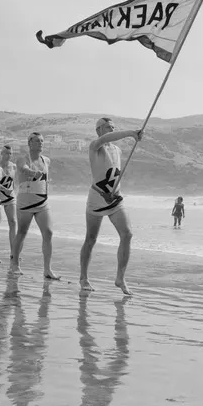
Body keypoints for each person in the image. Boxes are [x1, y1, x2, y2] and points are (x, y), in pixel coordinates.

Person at [79, 118, 143, 296]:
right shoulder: (95, 145)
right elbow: (107, 140)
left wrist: (116, 192)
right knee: (91, 239)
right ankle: (83, 278)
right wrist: (131, 133)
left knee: (127, 234)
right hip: (97, 198)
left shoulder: (117, 150)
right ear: (99, 130)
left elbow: (114, 175)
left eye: (113, 127)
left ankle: (120, 278)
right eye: (108, 127)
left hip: (114, 199)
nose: (111, 129)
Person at [10, 133, 58, 279]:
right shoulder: (22, 159)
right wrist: (33, 173)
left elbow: (45, 180)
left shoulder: (46, 160)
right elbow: (23, 168)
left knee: (48, 232)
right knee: (22, 232)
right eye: (37, 141)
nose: (41, 143)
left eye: (42, 141)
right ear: (30, 143)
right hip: (25, 201)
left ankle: (47, 269)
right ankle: (15, 265)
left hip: (42, 201)